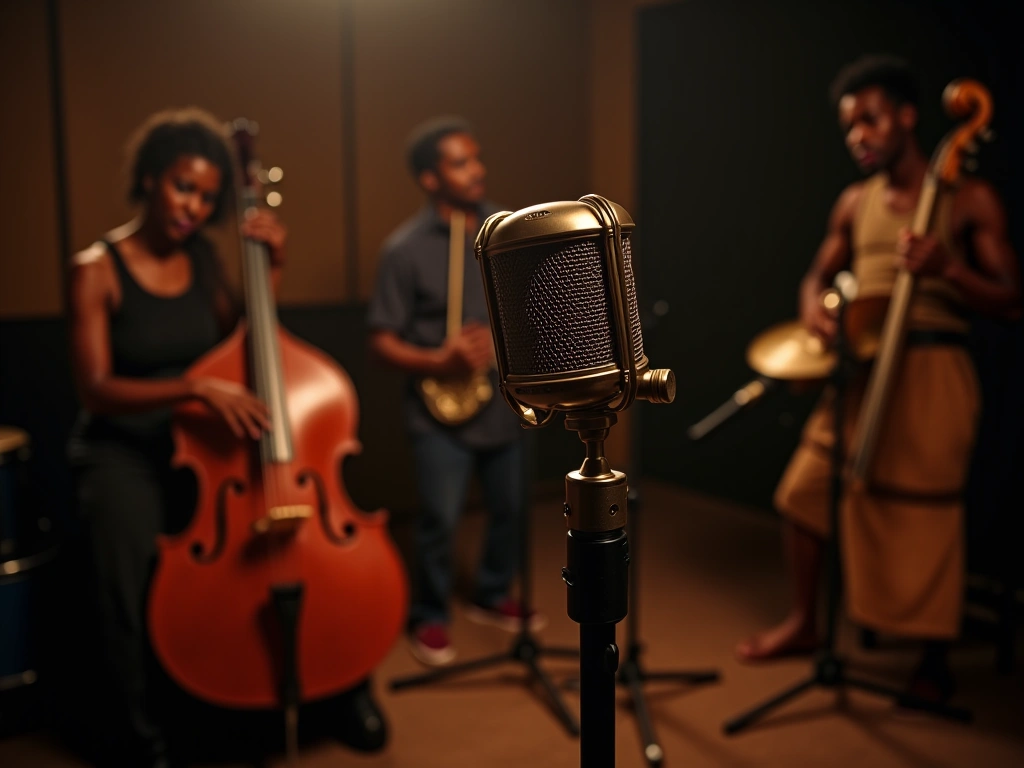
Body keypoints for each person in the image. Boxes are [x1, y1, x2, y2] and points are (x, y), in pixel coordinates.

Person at [66, 108, 384, 767]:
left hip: (205, 445)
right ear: (151, 179)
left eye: (208, 196)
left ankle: (337, 688)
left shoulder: (205, 262)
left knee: (297, 558)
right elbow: (96, 388)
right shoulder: (95, 267)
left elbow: (248, 343)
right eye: (184, 187)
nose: (194, 207)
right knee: (127, 579)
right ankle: (141, 735)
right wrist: (192, 389)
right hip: (124, 449)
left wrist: (272, 265)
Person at [734, 56, 1021, 701]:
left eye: (870, 119)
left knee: (922, 513)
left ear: (907, 117)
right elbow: (815, 276)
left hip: (932, 368)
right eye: (848, 127)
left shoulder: (965, 197)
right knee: (804, 491)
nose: (858, 136)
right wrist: (815, 309)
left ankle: (932, 660)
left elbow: (1010, 298)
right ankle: (807, 622)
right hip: (862, 371)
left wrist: (950, 270)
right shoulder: (854, 201)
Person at [367, 116, 543, 667]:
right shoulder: (403, 249)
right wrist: (438, 359)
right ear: (429, 178)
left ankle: (492, 593)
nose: (477, 171)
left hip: (502, 403)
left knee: (512, 508)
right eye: (460, 162)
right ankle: (430, 615)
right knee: (440, 519)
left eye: (476, 158)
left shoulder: (506, 229)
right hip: (436, 411)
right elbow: (381, 342)